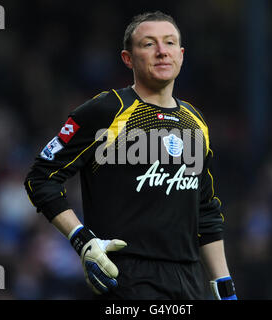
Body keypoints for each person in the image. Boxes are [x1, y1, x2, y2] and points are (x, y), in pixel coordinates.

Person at [24, 11, 237, 300]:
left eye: (170, 43)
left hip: (188, 283)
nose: (162, 52)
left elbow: (206, 212)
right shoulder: (105, 110)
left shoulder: (195, 121)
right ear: (128, 58)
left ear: (182, 54)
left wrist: (224, 289)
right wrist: (83, 241)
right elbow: (41, 178)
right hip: (123, 280)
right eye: (149, 44)